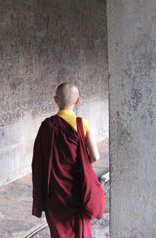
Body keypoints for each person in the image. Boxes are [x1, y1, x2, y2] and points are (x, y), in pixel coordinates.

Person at [31, 82, 100, 238]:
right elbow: (95, 156)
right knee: (80, 227)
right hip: (77, 187)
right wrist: (82, 163)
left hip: (54, 190)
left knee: (59, 232)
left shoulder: (47, 126)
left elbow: (38, 161)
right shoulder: (82, 124)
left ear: (56, 100)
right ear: (77, 100)